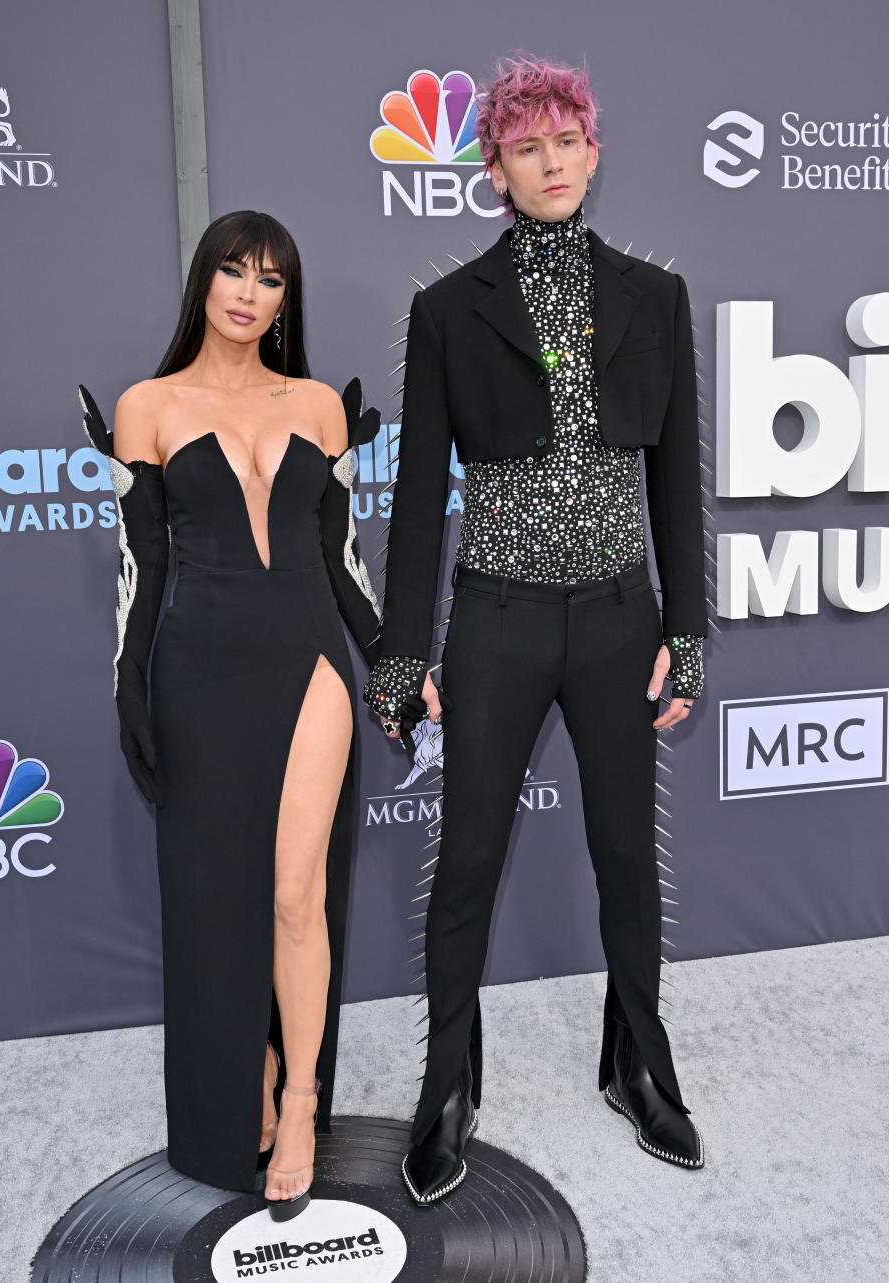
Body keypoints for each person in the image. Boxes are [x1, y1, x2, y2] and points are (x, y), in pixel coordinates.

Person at [364, 55, 708, 1205]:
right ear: (496, 170)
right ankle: (449, 1084)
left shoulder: (655, 297)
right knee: (464, 863)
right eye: (527, 146)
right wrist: (406, 652)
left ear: (594, 152)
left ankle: (639, 1062)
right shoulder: (447, 308)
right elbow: (416, 497)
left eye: (568, 140)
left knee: (626, 860)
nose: (551, 161)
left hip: (621, 618)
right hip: (498, 621)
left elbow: (677, 478)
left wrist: (689, 627)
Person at [80, 210, 382, 1220]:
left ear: (289, 299)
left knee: (299, 894)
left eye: (272, 280)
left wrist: (390, 659)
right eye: (233, 272)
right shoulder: (146, 405)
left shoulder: (320, 408)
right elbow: (141, 568)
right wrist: (129, 684)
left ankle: (299, 1101)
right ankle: (245, 1068)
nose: (250, 294)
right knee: (219, 902)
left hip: (309, 664)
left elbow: (346, 564)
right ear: (203, 282)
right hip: (199, 669)